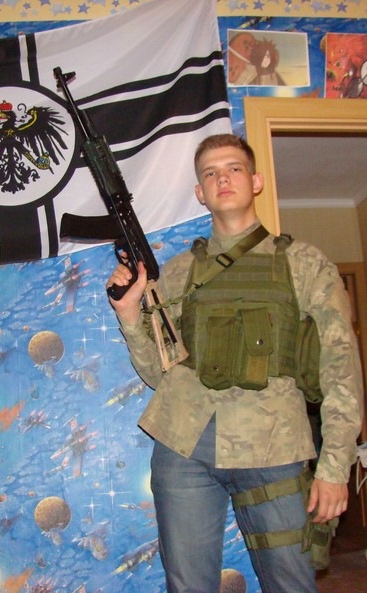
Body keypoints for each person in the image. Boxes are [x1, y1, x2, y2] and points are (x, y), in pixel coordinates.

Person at [107, 133, 364, 593]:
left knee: (291, 583)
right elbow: (157, 373)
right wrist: (129, 315)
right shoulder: (178, 272)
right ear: (200, 193)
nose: (222, 178)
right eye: (210, 173)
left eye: (233, 168)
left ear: (256, 181)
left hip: (275, 447)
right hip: (184, 445)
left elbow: (340, 367)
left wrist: (334, 466)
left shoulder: (304, 263)